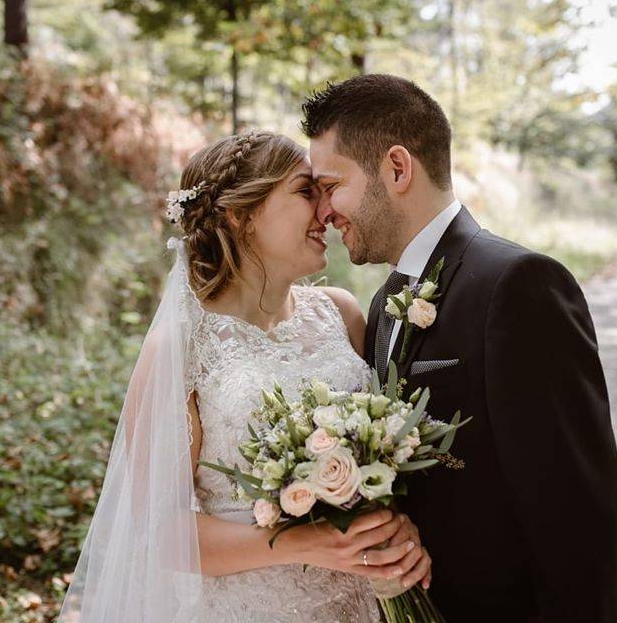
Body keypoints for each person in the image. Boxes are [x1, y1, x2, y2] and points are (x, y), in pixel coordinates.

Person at [58, 131, 431, 622]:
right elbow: (157, 533)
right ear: (241, 215)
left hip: (362, 603)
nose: (327, 211)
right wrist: (305, 543)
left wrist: (397, 528)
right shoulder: (180, 347)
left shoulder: (341, 314)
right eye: (304, 191)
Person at [304, 73, 617, 623]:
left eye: (331, 186)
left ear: (397, 168)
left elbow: (577, 515)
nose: (324, 211)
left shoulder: (518, 284)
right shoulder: (383, 303)